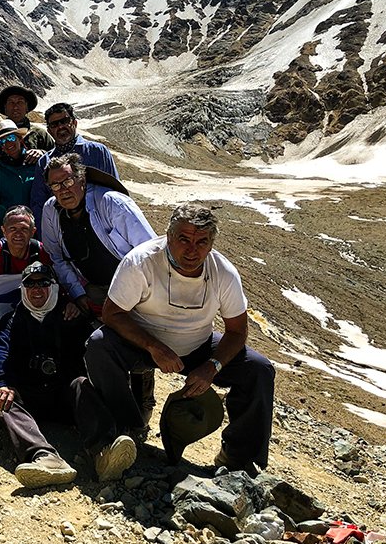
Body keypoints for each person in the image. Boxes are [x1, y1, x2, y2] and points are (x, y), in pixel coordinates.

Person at [85, 203, 276, 477]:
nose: (192, 250)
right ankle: (124, 430)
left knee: (259, 369)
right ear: (169, 236)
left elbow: (237, 330)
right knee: (99, 346)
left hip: (197, 344)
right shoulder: (142, 262)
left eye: (202, 242)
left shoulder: (222, 272)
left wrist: (212, 366)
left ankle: (239, 456)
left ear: (211, 244)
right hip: (142, 342)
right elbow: (112, 313)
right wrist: (154, 346)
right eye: (183, 239)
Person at [0, 262, 114, 488]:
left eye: (43, 283)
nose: (36, 289)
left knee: (81, 384)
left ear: (54, 286)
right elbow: (0, 352)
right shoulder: (11, 319)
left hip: (64, 395)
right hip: (30, 397)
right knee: (6, 401)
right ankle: (44, 457)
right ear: (23, 288)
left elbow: (92, 351)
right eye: (30, 284)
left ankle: (105, 451)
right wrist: (2, 383)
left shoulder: (70, 315)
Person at [41, 153, 155, 318]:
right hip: (93, 289)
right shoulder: (51, 210)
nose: (63, 190)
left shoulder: (112, 203)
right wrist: (77, 293)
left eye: (68, 181)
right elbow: (57, 258)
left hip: (135, 286)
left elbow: (149, 250)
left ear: (82, 179)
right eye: (56, 186)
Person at [30, 103, 118, 227]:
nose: (60, 127)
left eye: (64, 121)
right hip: (63, 229)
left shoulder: (97, 151)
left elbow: (115, 191)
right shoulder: (44, 162)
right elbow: (38, 203)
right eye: (54, 124)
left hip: (101, 224)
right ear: (49, 131)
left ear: (74, 123)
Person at [0, 120, 38, 238]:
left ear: (20, 139)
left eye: (11, 138)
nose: (8, 143)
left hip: (34, 226)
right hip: (4, 229)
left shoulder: (35, 163)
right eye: (3, 141)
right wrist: (9, 218)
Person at [0, 206, 51, 277]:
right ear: (4, 231)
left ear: (32, 232)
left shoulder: (41, 250)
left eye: (24, 229)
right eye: (12, 229)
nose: (18, 234)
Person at [0, 85, 54, 153]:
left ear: (27, 107)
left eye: (20, 102)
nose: (15, 107)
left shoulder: (40, 134)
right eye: (11, 103)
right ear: (5, 108)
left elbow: (55, 155)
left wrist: (42, 153)